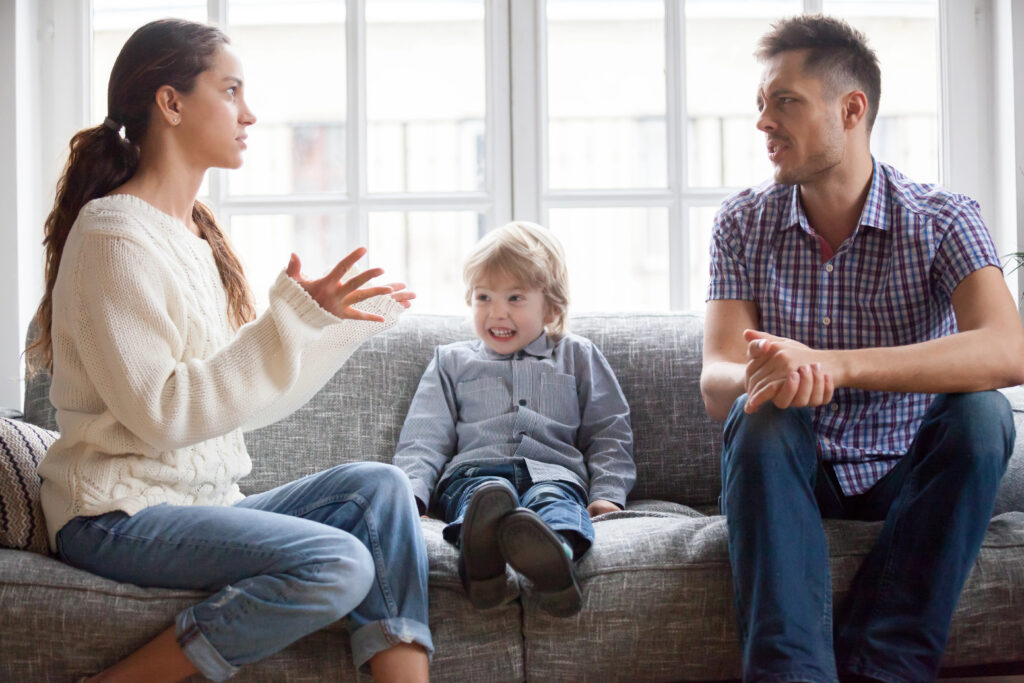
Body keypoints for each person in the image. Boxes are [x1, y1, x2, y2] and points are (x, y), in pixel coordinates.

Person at [28, 19, 431, 683]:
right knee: (339, 562)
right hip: (113, 516)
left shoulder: (191, 237)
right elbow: (164, 412)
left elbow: (236, 404)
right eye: (232, 90)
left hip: (196, 504)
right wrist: (284, 326)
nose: (251, 113)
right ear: (172, 102)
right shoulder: (114, 237)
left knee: (380, 489)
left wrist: (321, 328)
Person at [700, 14, 1024, 682]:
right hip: (795, 471)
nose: (763, 122)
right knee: (760, 414)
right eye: (760, 104)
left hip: (906, 465)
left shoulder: (942, 218)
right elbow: (717, 376)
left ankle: (889, 666)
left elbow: (1008, 347)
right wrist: (772, 377)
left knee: (983, 415)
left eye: (784, 102)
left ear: (853, 109)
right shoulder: (741, 222)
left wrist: (833, 366)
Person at [393, 221, 634, 618]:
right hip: (473, 475)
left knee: (553, 502)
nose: (496, 312)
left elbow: (609, 431)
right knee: (485, 498)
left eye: (515, 298)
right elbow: (424, 437)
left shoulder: (578, 355)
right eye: (484, 297)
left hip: (553, 473)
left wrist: (607, 493)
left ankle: (555, 559)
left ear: (552, 306)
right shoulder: (451, 362)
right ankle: (482, 564)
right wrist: (412, 495)